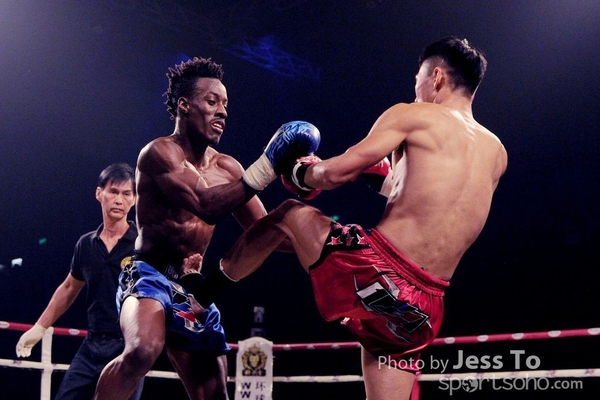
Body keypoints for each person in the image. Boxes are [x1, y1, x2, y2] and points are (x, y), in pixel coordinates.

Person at [191, 37, 508, 400]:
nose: (415, 87)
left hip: (377, 270)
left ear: (436, 76)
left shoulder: (414, 115)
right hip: (423, 308)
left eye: (418, 78)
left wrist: (300, 173)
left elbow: (333, 174)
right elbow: (429, 199)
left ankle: (199, 299)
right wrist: (375, 178)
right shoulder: (496, 152)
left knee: (289, 214)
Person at [94, 57, 318, 400]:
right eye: (212, 101)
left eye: (225, 104)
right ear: (185, 105)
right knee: (142, 349)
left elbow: (266, 234)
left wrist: (318, 229)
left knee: (213, 393)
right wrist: (269, 165)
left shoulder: (229, 168)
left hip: (194, 288)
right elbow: (205, 205)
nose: (222, 112)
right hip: (149, 272)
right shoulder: (159, 153)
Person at [15, 163, 143, 400]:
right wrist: (39, 327)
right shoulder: (86, 244)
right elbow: (68, 289)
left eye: (127, 194)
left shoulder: (142, 244)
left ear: (134, 199)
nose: (119, 200)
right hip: (92, 343)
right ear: (99, 193)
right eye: (113, 191)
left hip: (128, 347)